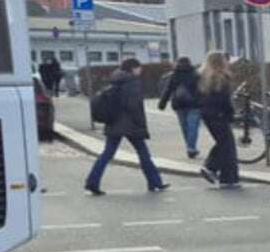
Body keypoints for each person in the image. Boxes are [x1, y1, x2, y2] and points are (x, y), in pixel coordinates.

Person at [83, 58, 168, 195]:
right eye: (138, 67)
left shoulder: (115, 80)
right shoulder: (133, 83)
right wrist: (141, 125)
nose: (140, 70)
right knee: (143, 154)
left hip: (114, 122)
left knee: (106, 154)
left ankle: (92, 182)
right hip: (131, 125)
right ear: (133, 68)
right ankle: (155, 182)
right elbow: (134, 106)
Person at [198, 50, 239, 189]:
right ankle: (222, 175)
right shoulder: (221, 77)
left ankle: (215, 170)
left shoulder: (203, 77)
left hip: (207, 115)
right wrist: (231, 113)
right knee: (228, 146)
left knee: (223, 144)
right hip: (220, 115)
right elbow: (224, 100)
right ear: (221, 62)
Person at [158, 56, 203, 159]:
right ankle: (191, 148)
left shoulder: (174, 75)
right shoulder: (195, 74)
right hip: (194, 104)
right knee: (193, 127)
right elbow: (202, 90)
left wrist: (162, 103)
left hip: (179, 105)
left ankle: (190, 147)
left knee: (185, 128)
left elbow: (168, 90)